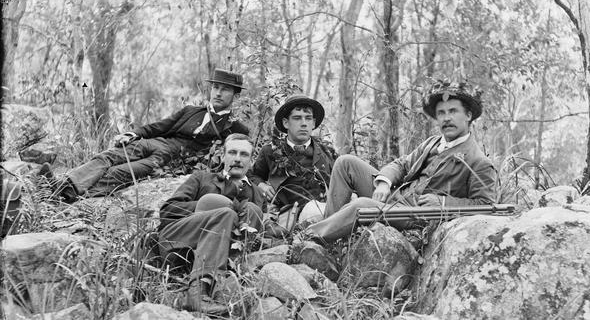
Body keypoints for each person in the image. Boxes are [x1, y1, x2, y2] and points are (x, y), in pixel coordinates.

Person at [301, 80, 496, 243]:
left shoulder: (478, 161)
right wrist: (384, 183)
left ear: (468, 116)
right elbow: (402, 164)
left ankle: (309, 238)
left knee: (361, 205)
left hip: (415, 215)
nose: (446, 118)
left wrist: (443, 202)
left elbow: (486, 205)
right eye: (441, 113)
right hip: (394, 197)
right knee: (345, 163)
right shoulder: (432, 142)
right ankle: (329, 233)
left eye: (453, 111)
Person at [40, 69, 250, 200]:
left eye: (225, 89)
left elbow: (229, 160)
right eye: (215, 87)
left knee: (121, 172)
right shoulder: (190, 111)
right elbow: (158, 126)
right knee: (108, 156)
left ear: (235, 96)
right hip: (156, 142)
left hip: (170, 160)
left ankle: (73, 195)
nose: (218, 93)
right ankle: (63, 185)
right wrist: (132, 133)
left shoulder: (236, 128)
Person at [157, 133, 265, 314]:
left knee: (253, 210)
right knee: (225, 213)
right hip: (179, 241)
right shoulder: (202, 178)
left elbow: (260, 230)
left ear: (251, 160)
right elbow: (168, 210)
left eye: (244, 154)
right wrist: (209, 208)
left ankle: (225, 283)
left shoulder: (257, 194)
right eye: (232, 152)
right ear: (223, 156)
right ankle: (197, 293)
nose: (237, 159)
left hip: (221, 254)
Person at [250, 95, 337, 238]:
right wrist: (262, 186)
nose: (304, 123)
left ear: (314, 123)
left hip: (327, 209)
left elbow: (341, 181)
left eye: (308, 118)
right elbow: (253, 175)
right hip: (289, 214)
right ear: (286, 123)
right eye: (297, 118)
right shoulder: (270, 151)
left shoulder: (327, 151)